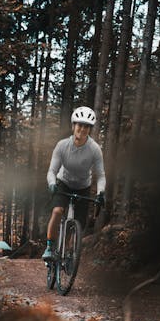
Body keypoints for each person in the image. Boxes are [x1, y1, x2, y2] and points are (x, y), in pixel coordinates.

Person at [43, 106, 106, 261]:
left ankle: (67, 251)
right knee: (57, 211)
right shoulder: (62, 145)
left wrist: (100, 192)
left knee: (78, 223)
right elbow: (52, 170)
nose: (82, 129)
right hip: (63, 183)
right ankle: (50, 248)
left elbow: (101, 175)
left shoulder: (95, 149)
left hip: (83, 187)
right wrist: (52, 184)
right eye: (79, 125)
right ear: (73, 126)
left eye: (86, 126)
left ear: (89, 129)